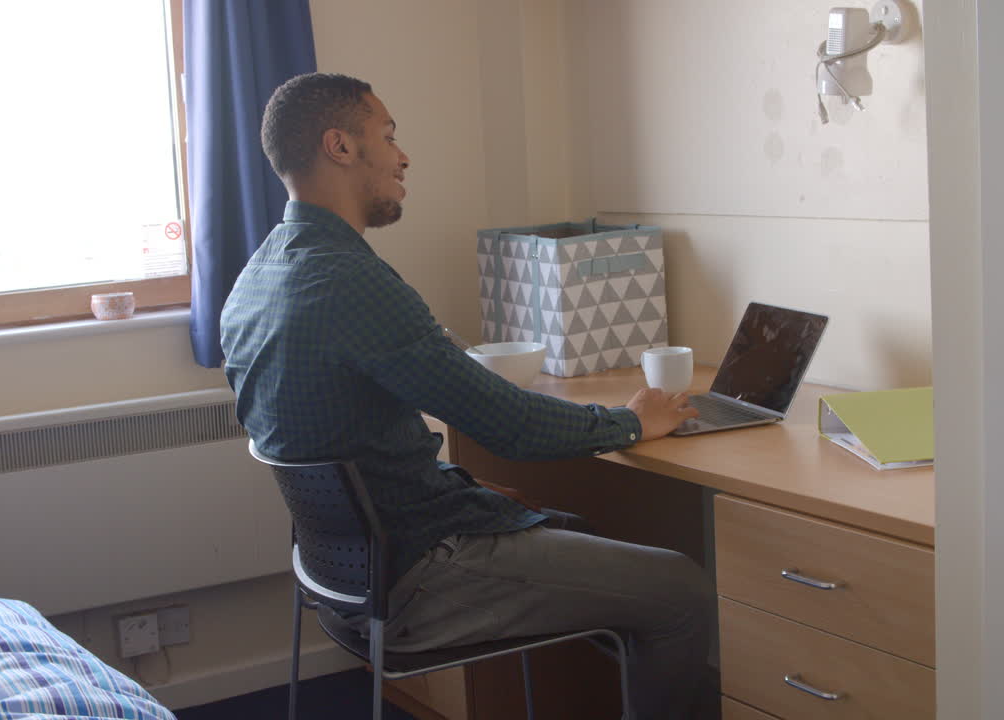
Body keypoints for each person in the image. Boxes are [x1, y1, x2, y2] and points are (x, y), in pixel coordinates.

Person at [221, 72, 716, 720]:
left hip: (345, 579)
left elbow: (359, 447)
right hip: (417, 577)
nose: (403, 157)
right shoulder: (350, 281)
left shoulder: (256, 279)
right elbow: (510, 427)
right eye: (389, 137)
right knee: (680, 589)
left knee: (575, 529)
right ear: (340, 147)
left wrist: (464, 492)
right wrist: (627, 421)